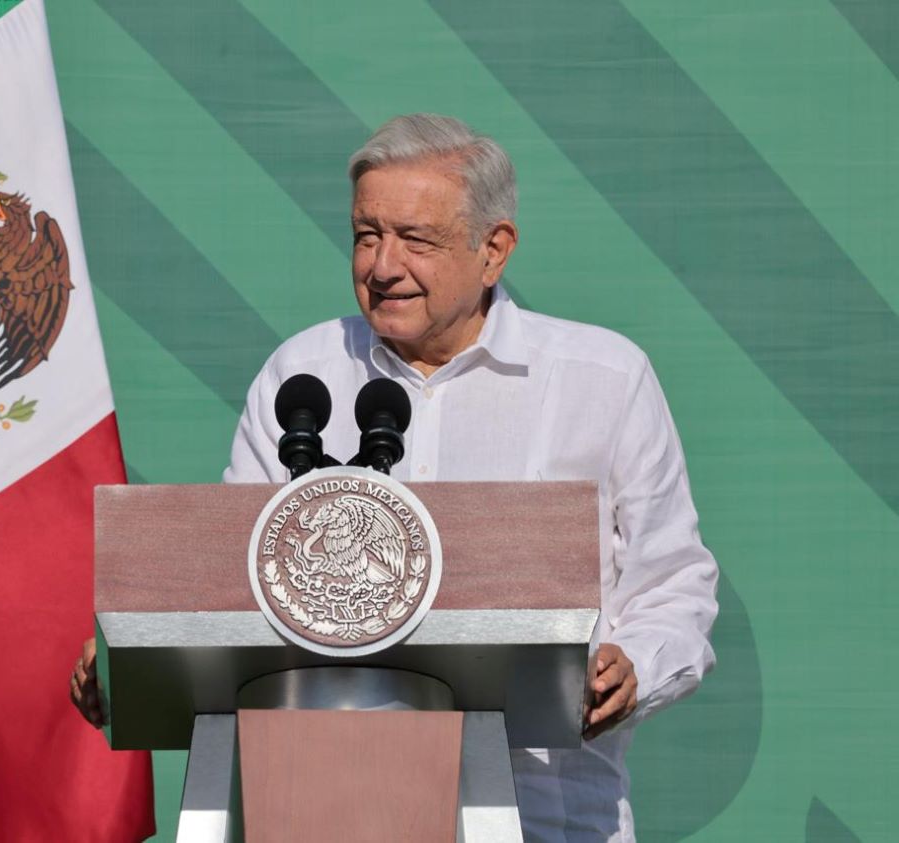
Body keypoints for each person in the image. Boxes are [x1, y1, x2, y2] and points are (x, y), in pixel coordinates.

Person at [74, 113, 718, 841]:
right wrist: (133, 642)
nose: (382, 265)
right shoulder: (303, 375)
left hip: (543, 814)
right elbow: (237, 578)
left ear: (494, 249)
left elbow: (675, 583)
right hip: (315, 808)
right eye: (366, 234)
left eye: (415, 239)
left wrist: (633, 665)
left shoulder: (601, 379)